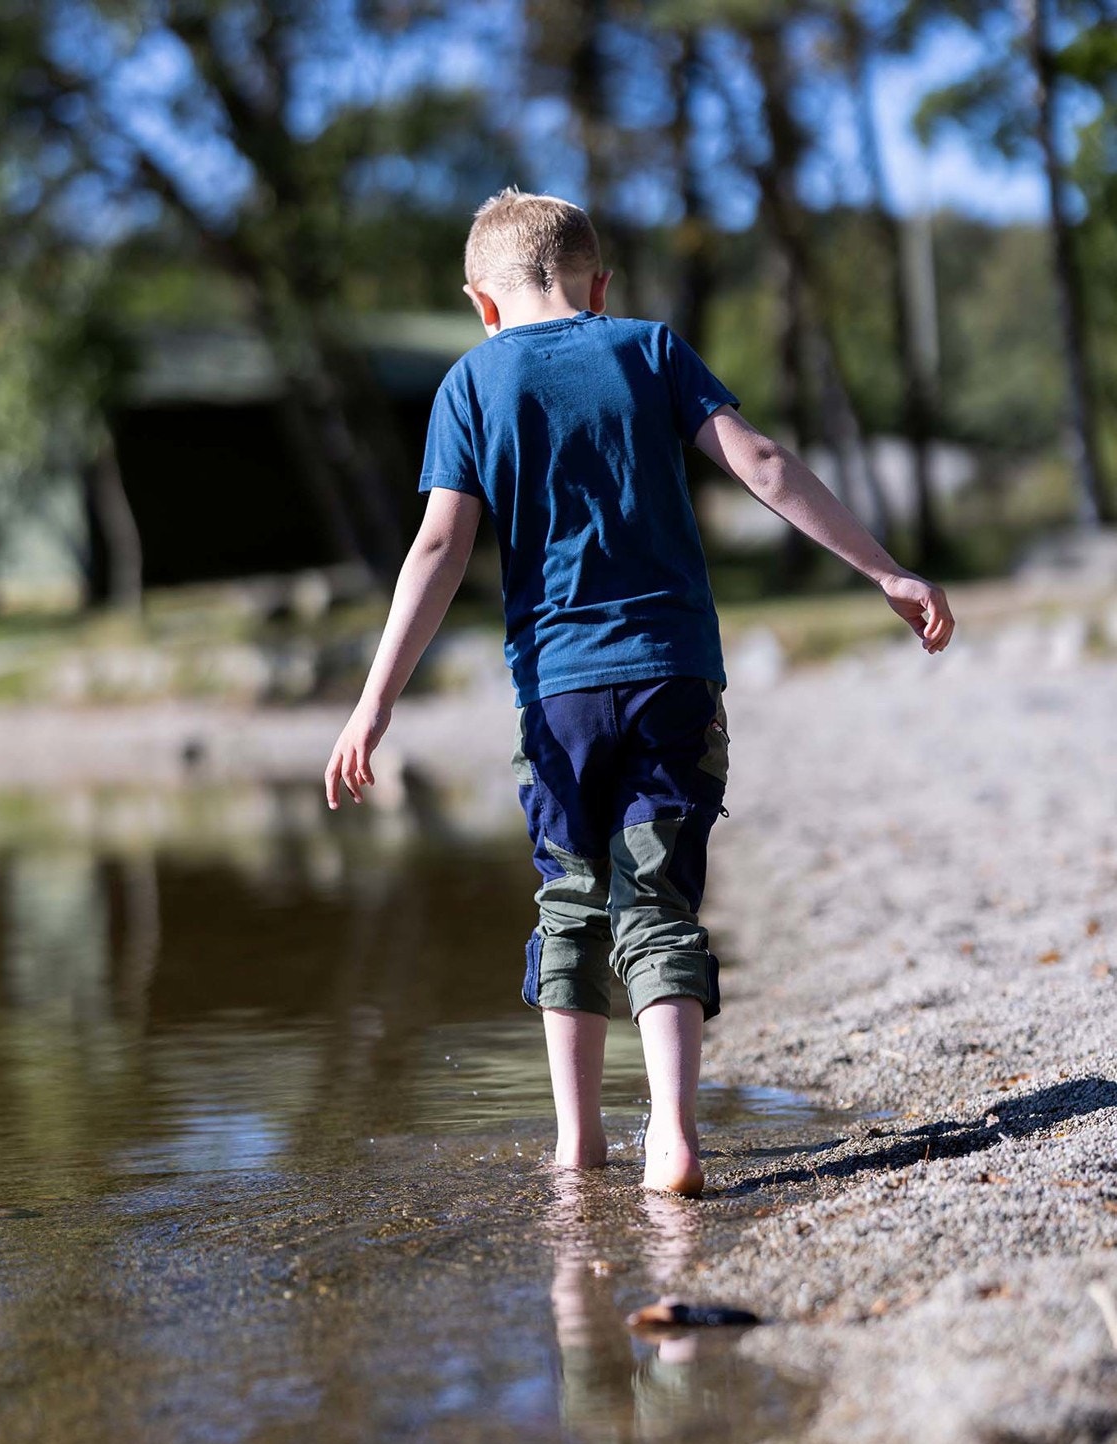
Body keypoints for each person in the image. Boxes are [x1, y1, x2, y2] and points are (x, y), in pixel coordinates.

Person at [325, 189, 954, 1194]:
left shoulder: (474, 382)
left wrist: (375, 700)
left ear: (479, 303)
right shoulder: (651, 349)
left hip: (558, 694)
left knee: (572, 899)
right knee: (658, 900)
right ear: (600, 284)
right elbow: (763, 462)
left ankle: (579, 1145)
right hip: (673, 678)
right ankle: (675, 1134)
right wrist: (885, 570)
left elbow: (439, 546)